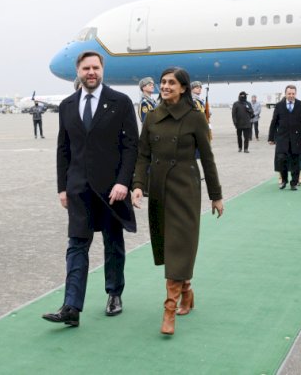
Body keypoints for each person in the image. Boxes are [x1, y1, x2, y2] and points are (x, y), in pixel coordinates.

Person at [43, 50, 138, 327]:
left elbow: (131, 146)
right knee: (76, 245)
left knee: (113, 242)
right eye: (86, 68)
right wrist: (62, 187)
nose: (91, 72)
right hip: (78, 188)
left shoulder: (120, 102)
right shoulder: (67, 105)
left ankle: (114, 293)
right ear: (78, 71)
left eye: (95, 67)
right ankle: (71, 306)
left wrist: (123, 182)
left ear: (102, 70)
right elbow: (63, 149)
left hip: (112, 189)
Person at [131, 67, 223, 335]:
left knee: (180, 244)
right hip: (159, 187)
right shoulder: (152, 116)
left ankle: (169, 309)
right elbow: (142, 155)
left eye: (171, 82)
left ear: (183, 88)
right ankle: (187, 290)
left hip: (185, 187)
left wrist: (215, 195)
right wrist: (138, 186)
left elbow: (208, 159)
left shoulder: (195, 117)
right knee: (167, 242)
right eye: (163, 82)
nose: (165, 86)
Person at [268, 85, 301, 190]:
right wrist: (271, 137)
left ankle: (294, 183)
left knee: (295, 160)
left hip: (296, 138)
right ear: (285, 94)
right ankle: (284, 181)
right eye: (289, 93)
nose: (291, 95)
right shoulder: (279, 106)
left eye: (293, 94)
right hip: (282, 137)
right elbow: (274, 122)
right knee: (281, 159)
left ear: (295, 94)